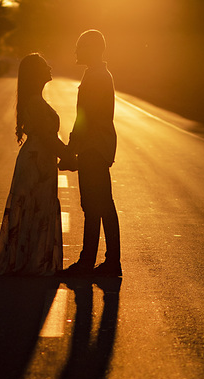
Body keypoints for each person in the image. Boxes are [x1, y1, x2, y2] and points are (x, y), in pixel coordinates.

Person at [0, 53, 70, 276]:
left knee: (37, 208)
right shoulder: (35, 103)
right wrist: (70, 157)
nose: (49, 67)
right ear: (35, 74)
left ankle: (32, 261)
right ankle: (31, 263)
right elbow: (48, 138)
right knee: (36, 208)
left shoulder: (36, 101)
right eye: (44, 65)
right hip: (36, 163)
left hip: (40, 161)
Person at [63, 29, 121, 277]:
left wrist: (70, 149)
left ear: (93, 49)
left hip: (94, 148)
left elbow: (84, 117)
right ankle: (108, 261)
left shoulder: (97, 77)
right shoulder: (97, 74)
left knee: (95, 205)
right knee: (102, 204)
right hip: (98, 146)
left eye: (81, 47)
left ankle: (89, 263)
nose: (77, 51)